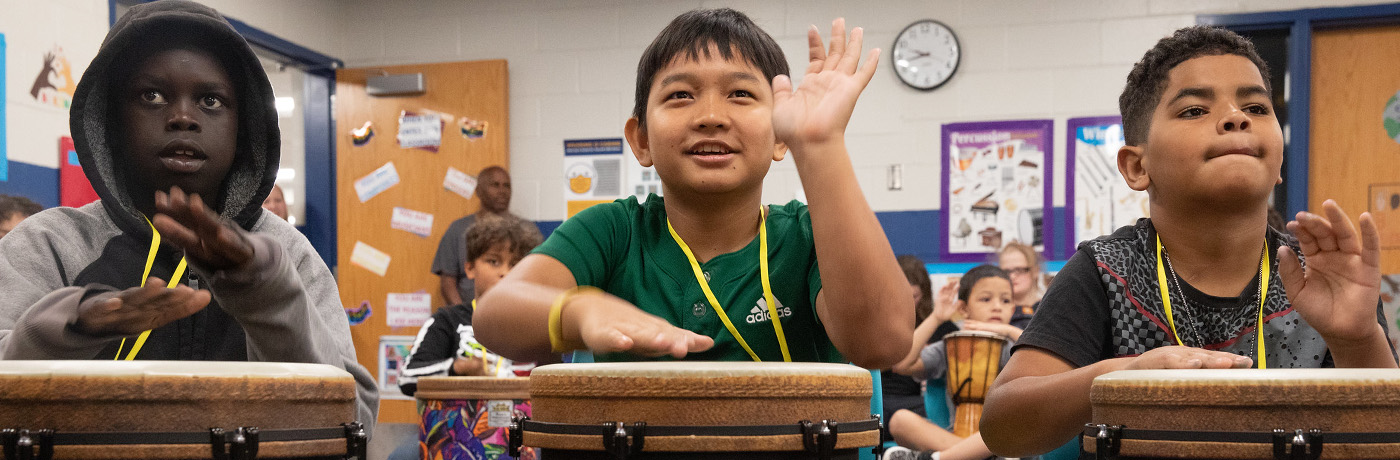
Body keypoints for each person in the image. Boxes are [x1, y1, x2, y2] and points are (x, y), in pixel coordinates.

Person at [981, 26, 1396, 457]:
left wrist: (1357, 338)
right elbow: (1003, 427)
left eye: (1255, 106)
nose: (1237, 118)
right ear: (1137, 167)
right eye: (1194, 110)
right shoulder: (1106, 270)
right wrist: (1126, 377)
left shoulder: (1320, 273)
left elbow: (1387, 439)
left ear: (1277, 163)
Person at [0, 0, 377, 433]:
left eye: (211, 100)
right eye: (151, 96)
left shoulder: (286, 254)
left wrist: (268, 296)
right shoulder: (46, 245)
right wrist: (62, 331)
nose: (182, 117)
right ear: (112, 123)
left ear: (243, 130)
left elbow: (356, 423)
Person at [474, 9, 912, 368]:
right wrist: (582, 311)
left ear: (779, 135)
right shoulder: (613, 230)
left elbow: (884, 344)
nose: (710, 116)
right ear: (641, 139)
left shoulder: (807, 234)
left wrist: (820, 144)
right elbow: (495, 315)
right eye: (681, 95)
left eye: (740, 94)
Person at [884, 265, 1020, 460]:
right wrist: (936, 318)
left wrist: (1008, 330)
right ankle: (970, 455)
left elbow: (1039, 359)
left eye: (1005, 300)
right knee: (900, 420)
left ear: (1012, 309)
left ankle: (939, 458)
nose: (997, 306)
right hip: (958, 436)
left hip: (1002, 437)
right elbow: (902, 364)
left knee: (1009, 424)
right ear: (963, 308)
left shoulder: (1014, 346)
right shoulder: (951, 345)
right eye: (986, 299)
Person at [400, 214, 542, 396]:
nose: (505, 272)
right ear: (469, 268)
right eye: (493, 261)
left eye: (515, 264)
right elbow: (407, 377)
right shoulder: (448, 321)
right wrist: (458, 367)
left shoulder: (539, 328)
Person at [880, 256, 957, 433]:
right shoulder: (878, 326)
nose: (906, 302)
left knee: (933, 410)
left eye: (913, 296)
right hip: (880, 399)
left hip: (918, 401)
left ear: (923, 296)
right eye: (899, 295)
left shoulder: (942, 327)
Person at [432, 166, 512, 307]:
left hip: (511, 312)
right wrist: (464, 316)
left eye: (506, 186)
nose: (502, 191)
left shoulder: (524, 231)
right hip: (467, 316)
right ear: (479, 191)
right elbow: (448, 282)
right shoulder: (458, 229)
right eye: (495, 185)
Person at [996, 241, 1043, 328]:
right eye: (1006, 272)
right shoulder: (994, 311)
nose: (1012, 276)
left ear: (1035, 271)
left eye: (1019, 270)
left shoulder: (1046, 310)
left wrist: (1007, 330)